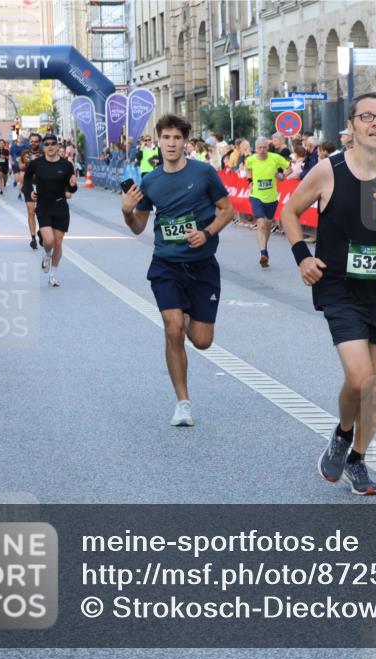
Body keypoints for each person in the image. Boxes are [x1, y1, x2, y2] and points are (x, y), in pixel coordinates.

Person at [280, 93, 376, 495]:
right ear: (352, 125)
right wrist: (301, 257)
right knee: (361, 378)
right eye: (368, 117)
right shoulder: (329, 170)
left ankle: (357, 458)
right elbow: (290, 212)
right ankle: (344, 432)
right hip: (340, 287)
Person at [121, 114, 236, 427]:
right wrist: (126, 211)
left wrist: (207, 233)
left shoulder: (204, 173)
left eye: (176, 138)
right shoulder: (151, 181)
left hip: (202, 265)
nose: (171, 143)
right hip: (166, 264)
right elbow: (138, 227)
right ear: (158, 140)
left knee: (201, 341)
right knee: (172, 328)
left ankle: (186, 314)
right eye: (166, 138)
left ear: (185, 141)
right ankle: (183, 402)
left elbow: (228, 210)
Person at [23, 134, 78, 287]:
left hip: (60, 206)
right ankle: (47, 253)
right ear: (43, 147)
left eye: (53, 143)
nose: (50, 146)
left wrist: (73, 185)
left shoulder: (66, 165)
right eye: (47, 144)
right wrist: (30, 192)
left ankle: (52, 275)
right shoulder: (36, 164)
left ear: (58, 146)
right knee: (49, 241)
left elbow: (73, 188)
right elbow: (27, 179)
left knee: (58, 243)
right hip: (43, 206)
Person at [245, 137, 290, 268]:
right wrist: (250, 181)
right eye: (260, 148)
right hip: (256, 196)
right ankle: (262, 253)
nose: (262, 150)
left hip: (272, 198)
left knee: (268, 224)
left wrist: (282, 175)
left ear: (268, 147)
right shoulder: (251, 159)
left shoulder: (275, 158)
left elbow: (290, 168)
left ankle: (265, 249)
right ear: (255, 148)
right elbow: (248, 169)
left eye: (265, 147)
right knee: (261, 222)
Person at [19, 133, 44, 250]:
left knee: (41, 211)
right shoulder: (25, 153)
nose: (33, 143)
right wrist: (26, 166)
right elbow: (21, 165)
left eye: (36, 141)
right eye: (31, 141)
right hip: (29, 183)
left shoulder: (43, 153)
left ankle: (42, 231)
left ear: (39, 142)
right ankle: (33, 238)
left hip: (42, 184)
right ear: (29, 142)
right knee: (31, 211)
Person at [10, 135, 26, 199]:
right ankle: (15, 181)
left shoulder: (25, 147)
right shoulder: (13, 147)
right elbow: (10, 155)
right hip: (15, 164)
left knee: (22, 179)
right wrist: (11, 161)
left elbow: (27, 155)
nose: (21, 139)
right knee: (17, 178)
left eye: (22, 138)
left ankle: (19, 194)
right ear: (17, 139)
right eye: (19, 138)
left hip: (23, 165)